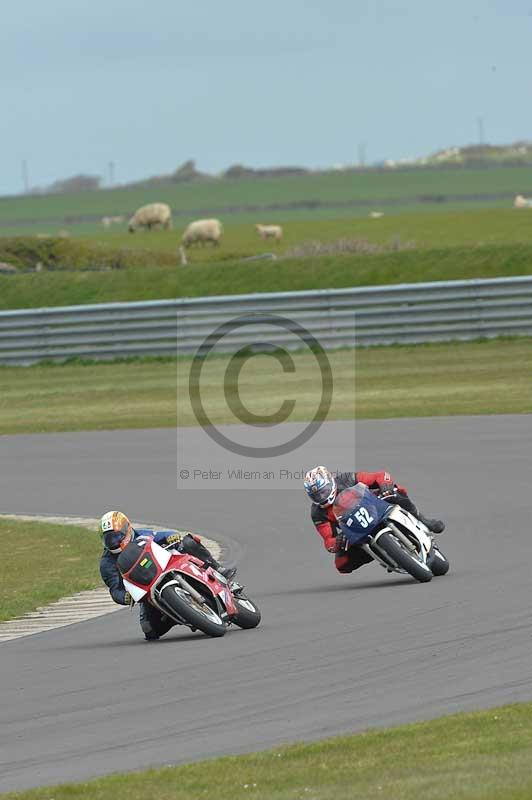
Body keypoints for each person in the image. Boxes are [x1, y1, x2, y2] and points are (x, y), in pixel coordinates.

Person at [98, 510, 236, 640]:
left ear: (127, 529)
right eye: (109, 539)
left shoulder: (141, 535)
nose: (114, 541)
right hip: (147, 590)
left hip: (166, 567)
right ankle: (178, 613)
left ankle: (217, 569)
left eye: (117, 536)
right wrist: (125, 597)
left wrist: (171, 537)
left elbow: (163, 535)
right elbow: (115, 590)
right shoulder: (107, 564)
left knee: (188, 542)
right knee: (149, 630)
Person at [303, 466, 445, 575]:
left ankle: (423, 520)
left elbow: (380, 475)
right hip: (355, 530)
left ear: (331, 482)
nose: (321, 497)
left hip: (376, 506)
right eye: (316, 495)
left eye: (323, 491)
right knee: (341, 564)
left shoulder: (346, 479)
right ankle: (382, 553)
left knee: (396, 491)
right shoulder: (318, 513)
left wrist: (385, 484)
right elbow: (328, 540)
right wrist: (337, 542)